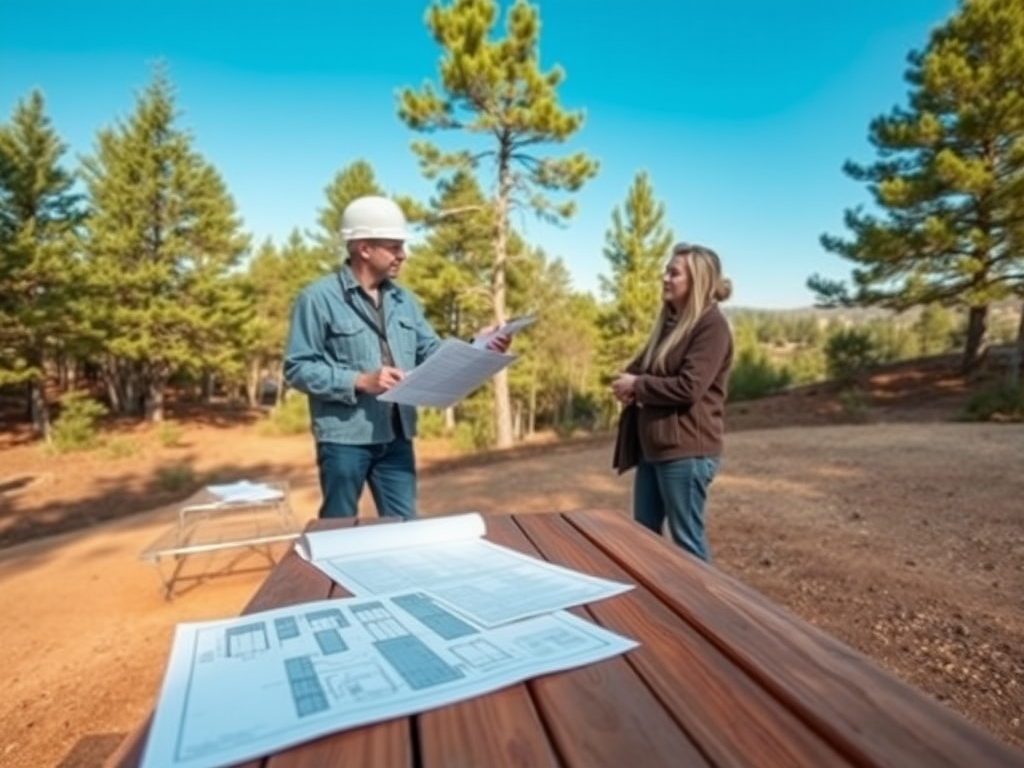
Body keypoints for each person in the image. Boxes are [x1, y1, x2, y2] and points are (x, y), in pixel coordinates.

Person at [283, 195, 508, 520]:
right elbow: (298, 367)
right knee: (338, 527)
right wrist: (359, 380)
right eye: (394, 246)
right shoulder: (318, 299)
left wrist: (480, 345)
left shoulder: (405, 301)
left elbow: (430, 352)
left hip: (397, 438)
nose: (403, 255)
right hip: (345, 440)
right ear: (363, 248)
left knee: (405, 527)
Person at [610, 242, 734, 561]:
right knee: (645, 535)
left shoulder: (712, 327)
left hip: (687, 452)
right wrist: (627, 380)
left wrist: (638, 385)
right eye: (666, 270)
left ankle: (704, 608)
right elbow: (642, 367)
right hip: (654, 449)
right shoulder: (670, 324)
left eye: (674, 273)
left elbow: (689, 387)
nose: (665, 277)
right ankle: (657, 604)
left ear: (698, 281)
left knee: (687, 542)